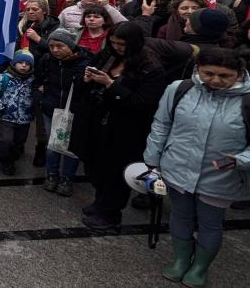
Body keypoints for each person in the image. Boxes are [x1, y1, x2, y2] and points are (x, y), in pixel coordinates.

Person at [144, 48, 250, 287]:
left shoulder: (247, 99)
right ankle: (181, 260)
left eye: (225, 76)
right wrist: (152, 159)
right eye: (208, 73)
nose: (215, 80)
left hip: (221, 175)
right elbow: (161, 125)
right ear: (197, 69)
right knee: (179, 215)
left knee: (210, 223)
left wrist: (240, 160)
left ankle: (200, 267)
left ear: (240, 73)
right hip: (177, 167)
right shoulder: (179, 89)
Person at [72, 23, 167, 232]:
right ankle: (100, 203)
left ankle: (110, 214)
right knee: (95, 166)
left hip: (124, 130)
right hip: (95, 122)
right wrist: (86, 79)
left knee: (115, 173)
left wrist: (111, 85)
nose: (117, 47)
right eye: (113, 43)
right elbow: (82, 83)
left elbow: (143, 104)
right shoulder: (107, 56)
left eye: (121, 44)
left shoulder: (150, 68)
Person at [33, 29, 91, 196]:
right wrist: (40, 99)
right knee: (53, 145)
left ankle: (67, 178)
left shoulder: (84, 62)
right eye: (51, 46)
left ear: (71, 45)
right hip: (50, 108)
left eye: (60, 46)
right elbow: (37, 81)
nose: (55, 50)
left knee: (71, 147)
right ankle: (52, 174)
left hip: (74, 111)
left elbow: (86, 88)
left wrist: (84, 81)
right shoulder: (46, 60)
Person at [0, 50, 35, 176]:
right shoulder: (3, 78)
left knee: (19, 142)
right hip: (7, 117)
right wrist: (0, 106)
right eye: (20, 62)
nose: (24, 65)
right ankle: (4, 160)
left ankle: (13, 158)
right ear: (14, 63)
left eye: (27, 64)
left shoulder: (32, 81)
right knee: (6, 140)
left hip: (25, 118)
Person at [58, 0, 127, 30]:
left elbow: (124, 25)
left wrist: (106, 6)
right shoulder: (68, 11)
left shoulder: (109, 9)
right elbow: (57, 29)